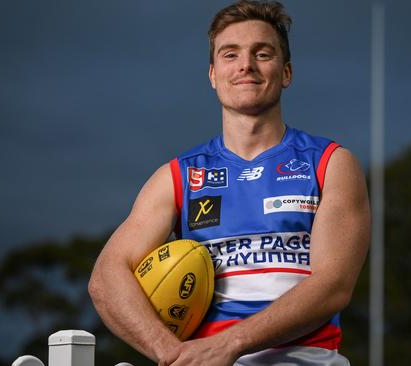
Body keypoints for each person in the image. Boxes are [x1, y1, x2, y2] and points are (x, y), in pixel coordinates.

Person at [88, 1, 370, 365]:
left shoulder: (330, 163)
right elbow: (106, 277)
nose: (245, 65)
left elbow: (332, 287)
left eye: (262, 53)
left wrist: (230, 343)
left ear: (286, 73)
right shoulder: (177, 177)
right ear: (212, 74)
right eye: (230, 54)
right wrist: (171, 353)